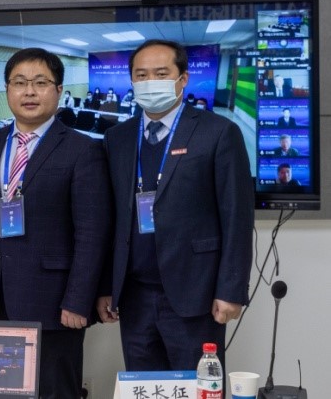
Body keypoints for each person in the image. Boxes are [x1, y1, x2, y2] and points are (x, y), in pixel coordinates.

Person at [0, 48, 111, 398]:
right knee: (0, 391)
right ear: (7, 89)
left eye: (40, 83)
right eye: (19, 82)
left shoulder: (82, 149)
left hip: (55, 303)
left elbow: (92, 233)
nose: (29, 91)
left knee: (55, 391)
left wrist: (78, 300)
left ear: (58, 90)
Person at [96, 40, 252, 371]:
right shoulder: (117, 138)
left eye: (161, 73)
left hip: (196, 294)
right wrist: (107, 286)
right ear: (132, 81)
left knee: (198, 388)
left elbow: (237, 218)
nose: (150, 82)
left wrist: (231, 289)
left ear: (183, 79)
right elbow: (109, 221)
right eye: (141, 75)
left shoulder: (218, 132)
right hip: (134, 296)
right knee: (145, 388)